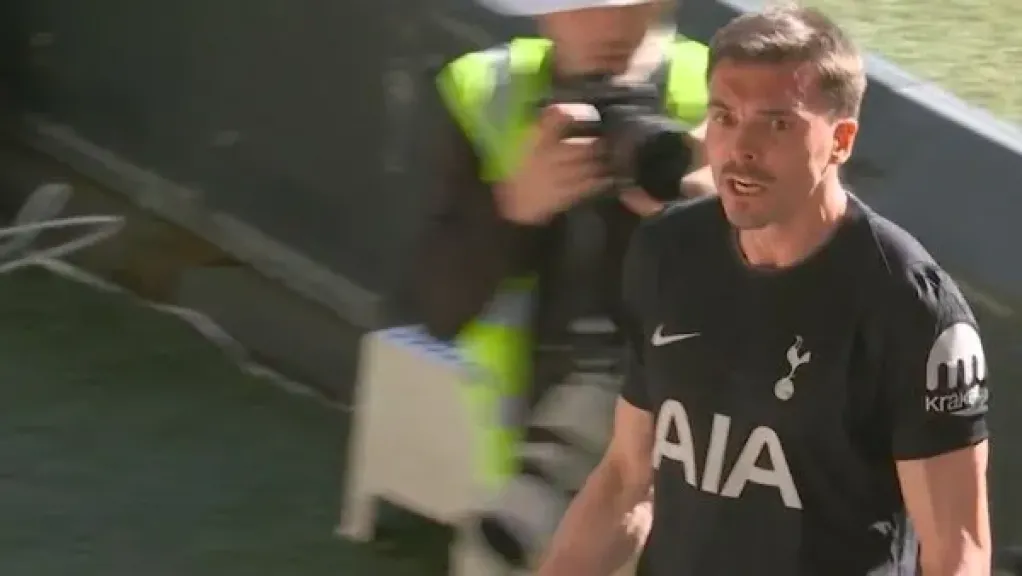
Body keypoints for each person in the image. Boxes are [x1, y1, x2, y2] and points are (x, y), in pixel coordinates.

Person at [537, 6, 992, 576]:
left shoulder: (910, 308)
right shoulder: (668, 253)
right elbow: (629, 478)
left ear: (841, 140)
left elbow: (958, 553)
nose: (741, 147)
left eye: (777, 123)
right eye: (724, 117)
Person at [412, 0, 714, 570]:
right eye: (581, 5)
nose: (606, 23)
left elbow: (810, 302)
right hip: (535, 454)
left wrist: (721, 216)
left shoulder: (731, 96)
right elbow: (436, 307)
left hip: (693, 463)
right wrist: (511, 210)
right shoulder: (485, 92)